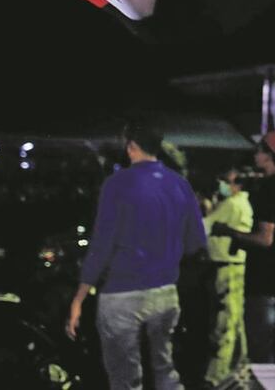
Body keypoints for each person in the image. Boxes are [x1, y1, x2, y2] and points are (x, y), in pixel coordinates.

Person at [66, 120, 207, 390]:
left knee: (125, 378)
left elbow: (102, 245)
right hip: (165, 293)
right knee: (164, 369)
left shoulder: (117, 184)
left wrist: (79, 298)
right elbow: (195, 243)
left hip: (122, 294)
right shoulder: (179, 184)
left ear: (130, 146)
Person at [213, 130, 275, 363]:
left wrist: (228, 231)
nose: (255, 155)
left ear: (269, 155)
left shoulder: (268, 188)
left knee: (261, 352)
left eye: (260, 150)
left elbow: (265, 239)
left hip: (264, 280)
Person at [202, 167, 253, 387]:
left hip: (227, 267)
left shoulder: (232, 204)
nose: (222, 184)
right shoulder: (241, 203)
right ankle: (239, 366)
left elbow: (204, 226)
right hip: (235, 267)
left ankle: (216, 376)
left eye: (226, 180)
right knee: (235, 319)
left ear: (237, 184)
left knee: (224, 322)